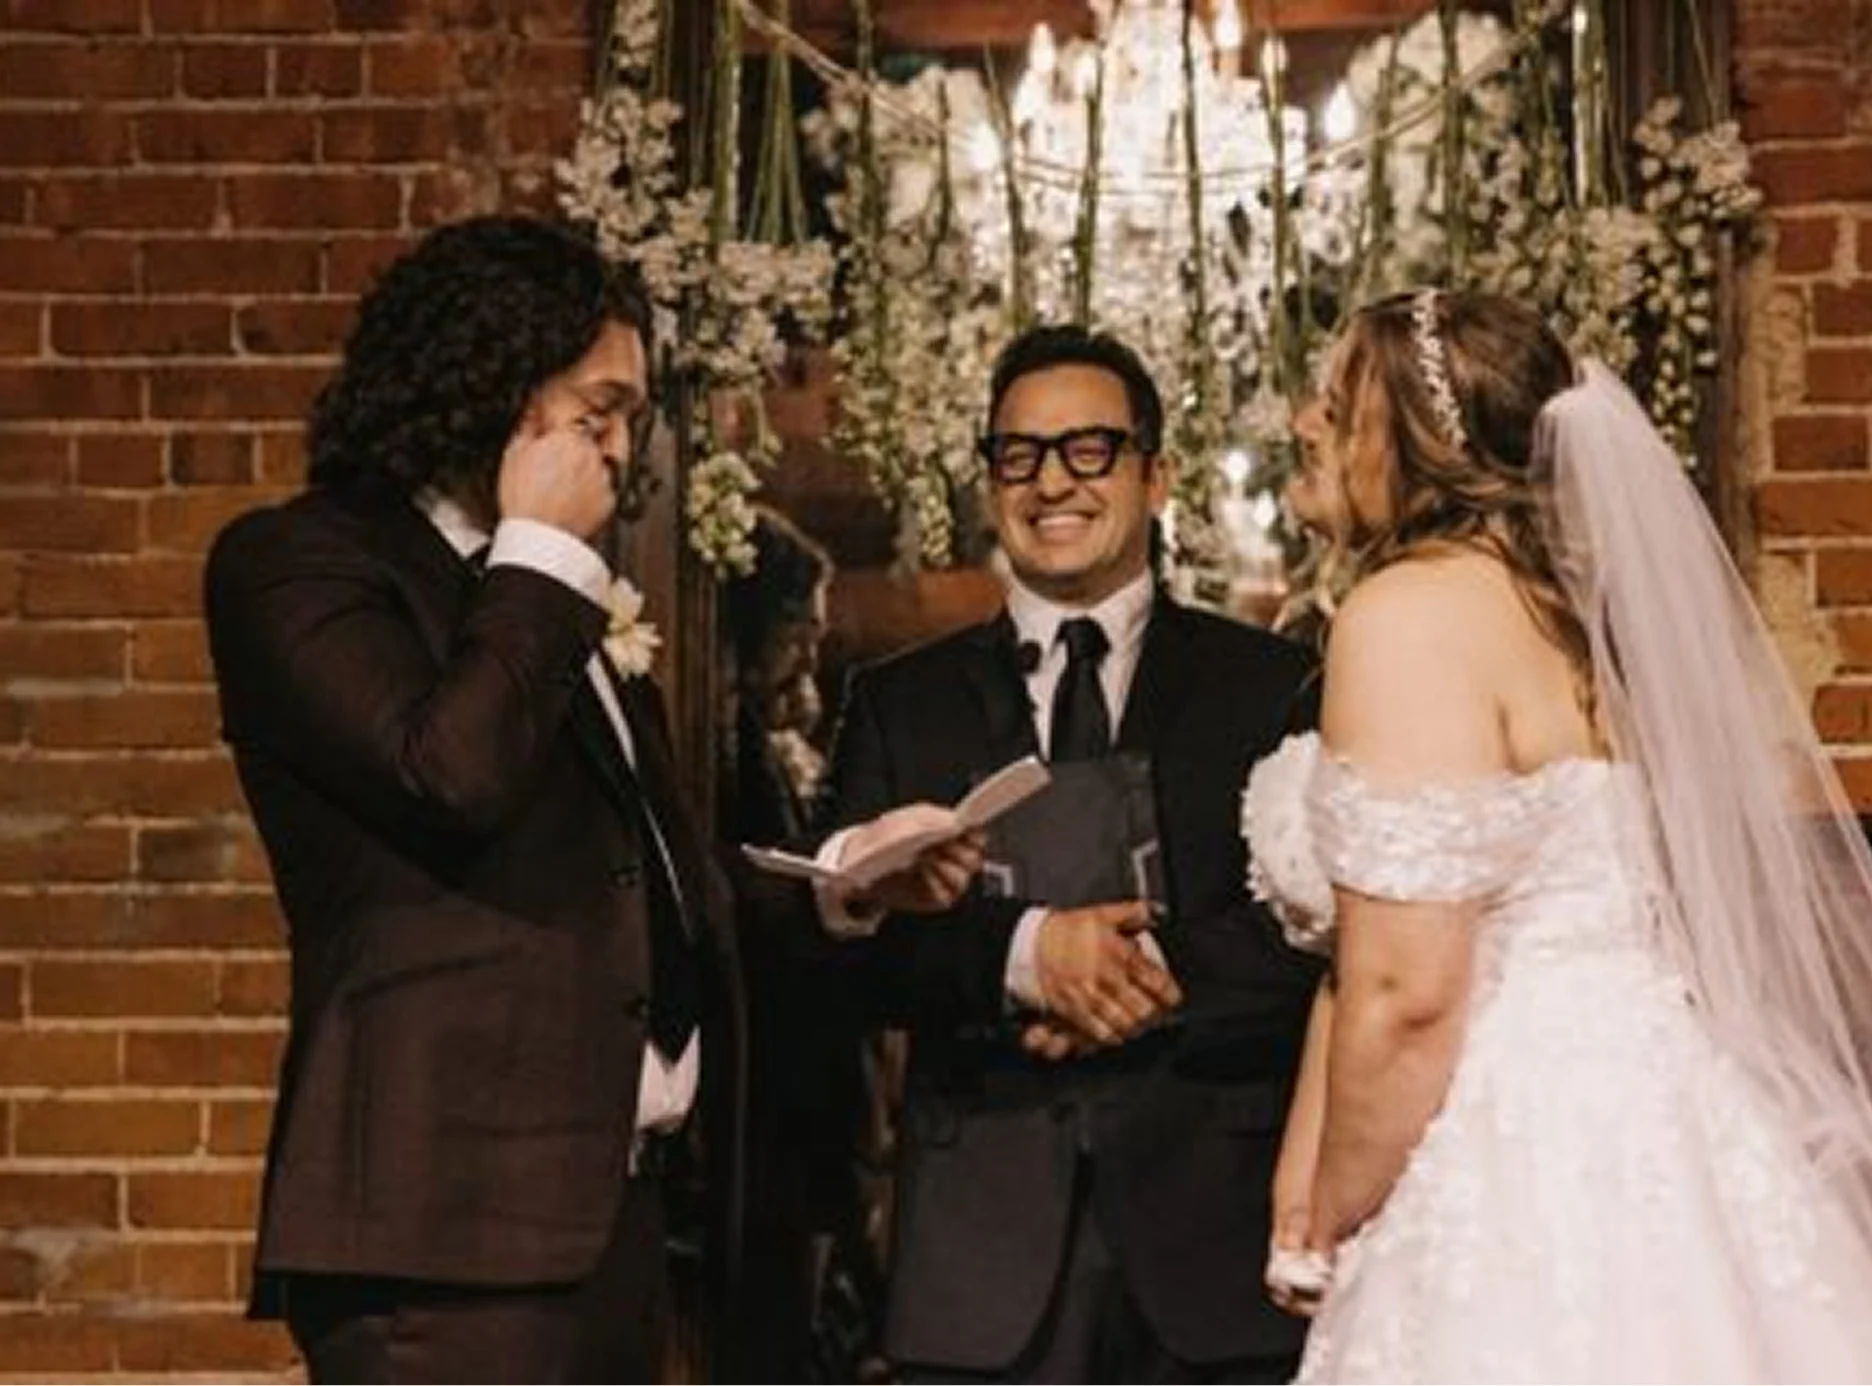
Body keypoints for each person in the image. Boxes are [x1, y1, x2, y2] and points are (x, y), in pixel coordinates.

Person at [202, 215, 972, 1384]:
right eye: (596, 409)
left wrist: (844, 878)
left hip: (619, 1228)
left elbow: (642, 886)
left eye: (631, 417)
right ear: (489, 387)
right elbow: (448, 772)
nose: (622, 448)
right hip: (444, 1242)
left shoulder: (555, 598)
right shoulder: (302, 566)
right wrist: (543, 555)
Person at [1246, 287, 1872, 1380]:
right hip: (1673, 1113)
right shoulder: (1578, 615)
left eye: (1339, 402)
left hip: (1520, 1135)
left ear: (1420, 439)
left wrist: (1336, 1210)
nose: (1306, 422)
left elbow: (1408, 993)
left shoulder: (1410, 615)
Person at [816, 324, 1322, 1382]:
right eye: (1020, 455)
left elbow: (1322, 946)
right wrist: (1024, 959)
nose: (1053, 481)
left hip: (1214, 1241)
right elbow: (840, 959)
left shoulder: (1274, 687)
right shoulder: (898, 704)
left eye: (1089, 449)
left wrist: (1149, 978)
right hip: (980, 1247)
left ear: (1156, 474)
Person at [719, 508, 894, 1383]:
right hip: (777, 1094)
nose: (812, 652)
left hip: (815, 1091)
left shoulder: (775, 742)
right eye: (800, 632)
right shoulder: (730, 752)